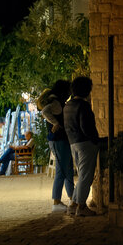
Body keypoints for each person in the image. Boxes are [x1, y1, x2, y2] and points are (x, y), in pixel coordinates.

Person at [63, 76, 100, 217]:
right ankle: (81, 207)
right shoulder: (83, 106)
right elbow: (87, 127)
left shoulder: (68, 105)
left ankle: (73, 204)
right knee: (86, 176)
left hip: (73, 143)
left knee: (81, 175)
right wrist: (95, 139)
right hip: (85, 143)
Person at [41, 80, 74, 212]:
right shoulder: (55, 102)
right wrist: (55, 123)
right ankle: (56, 201)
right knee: (62, 170)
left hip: (61, 140)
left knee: (68, 169)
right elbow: (45, 111)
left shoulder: (55, 100)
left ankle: (72, 197)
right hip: (59, 140)